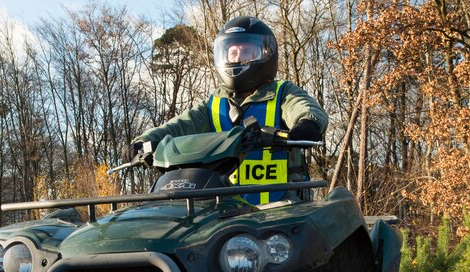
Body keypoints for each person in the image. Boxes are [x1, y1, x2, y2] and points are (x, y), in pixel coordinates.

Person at [124, 16, 328, 205]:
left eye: (246, 51)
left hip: (281, 207)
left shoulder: (282, 93)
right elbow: (181, 125)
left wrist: (306, 123)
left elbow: (304, 107)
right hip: (223, 211)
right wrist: (144, 142)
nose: (238, 58)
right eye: (232, 52)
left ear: (266, 54)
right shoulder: (213, 104)